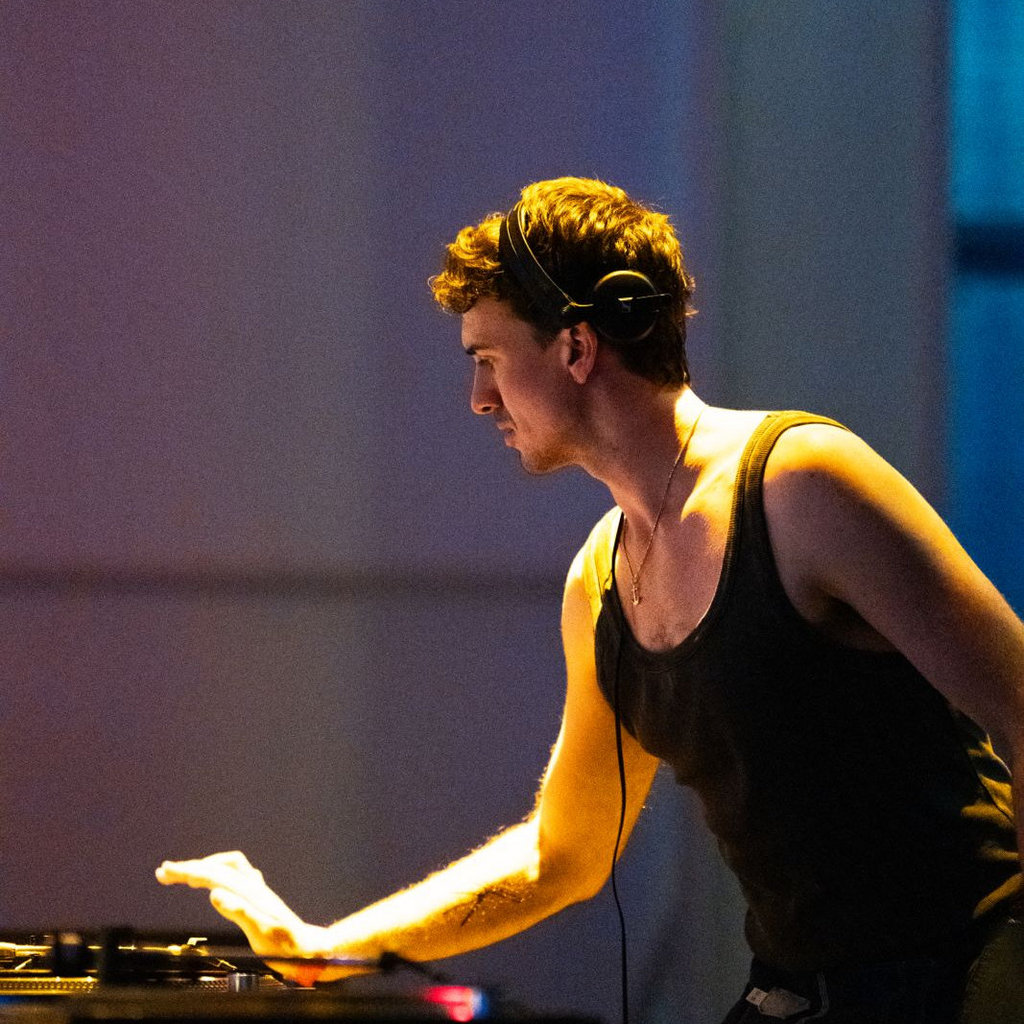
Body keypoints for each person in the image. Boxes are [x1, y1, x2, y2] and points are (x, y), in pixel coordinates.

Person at [157, 177, 1024, 1022]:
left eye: (489, 360)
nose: (479, 399)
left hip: (974, 975)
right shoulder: (599, 581)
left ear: (576, 347)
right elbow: (563, 855)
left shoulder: (802, 486)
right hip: (800, 991)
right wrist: (329, 950)